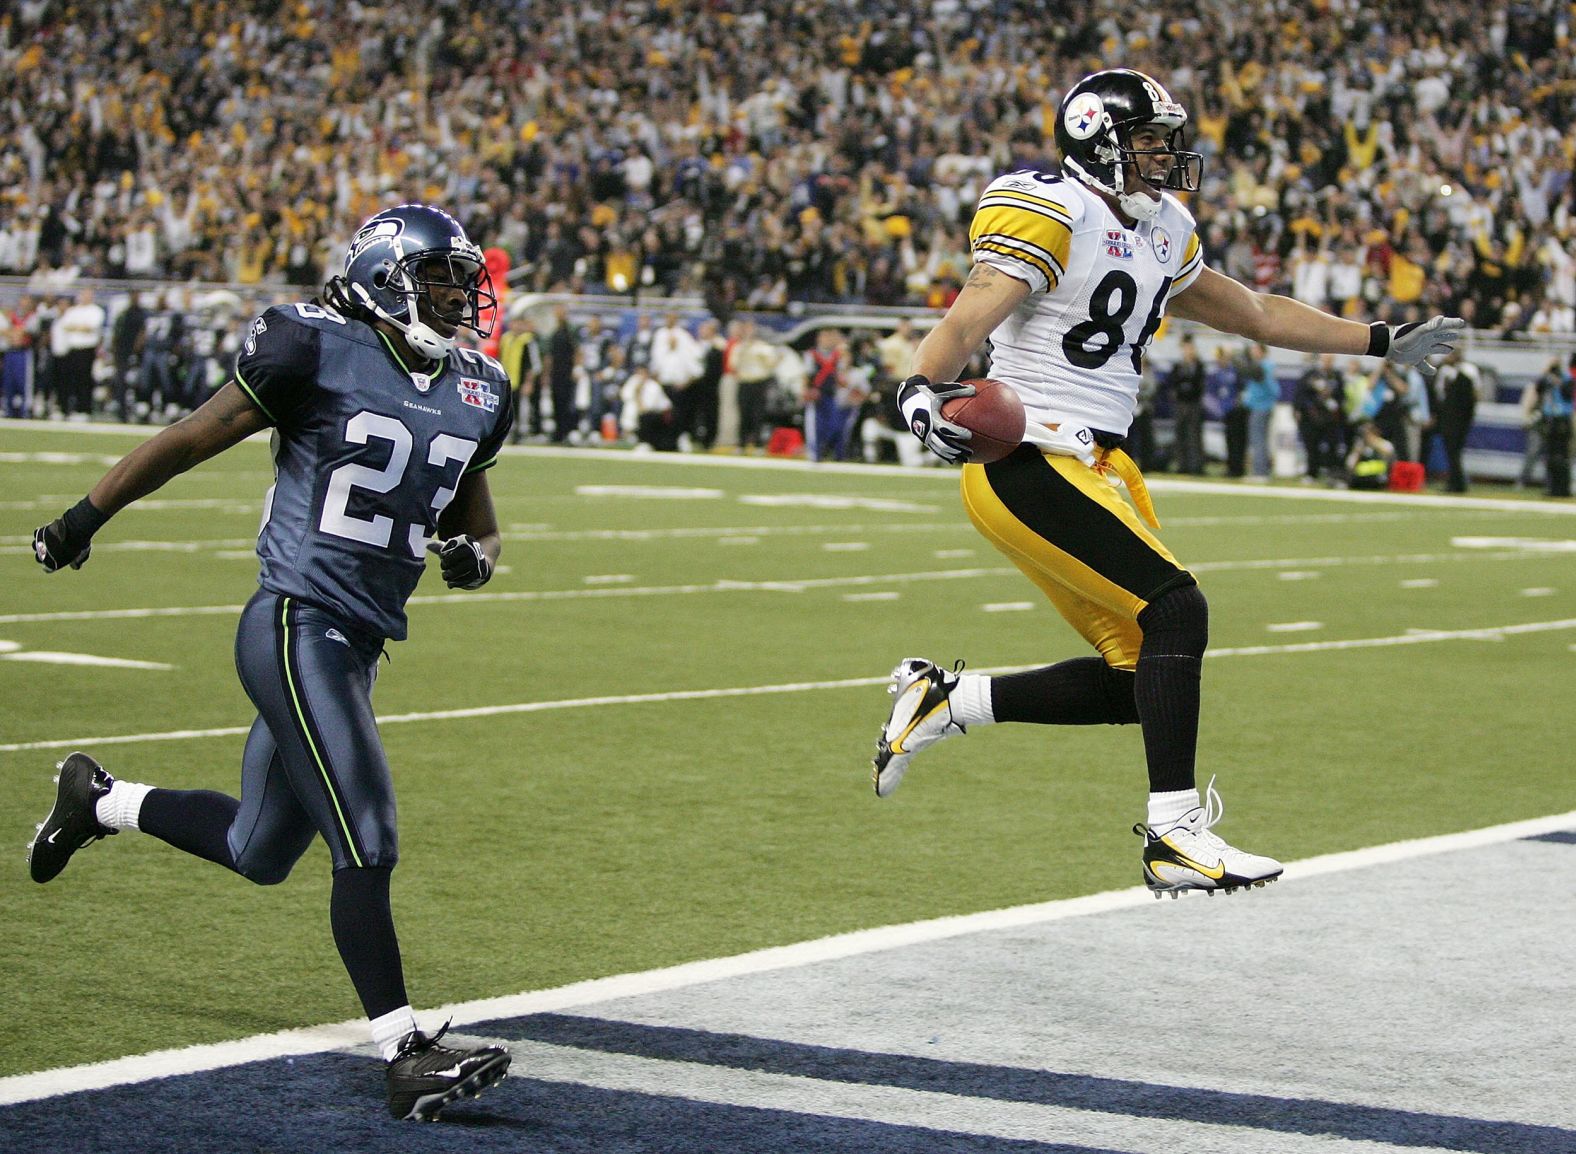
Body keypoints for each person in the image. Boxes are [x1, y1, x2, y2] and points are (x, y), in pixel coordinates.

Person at [877, 69, 1462, 898]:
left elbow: (1256, 312)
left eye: (1165, 139)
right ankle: (1175, 836)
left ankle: (948, 700)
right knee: (1178, 607)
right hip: (1029, 454)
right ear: (1096, 139)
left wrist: (1378, 338)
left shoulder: (1162, 227)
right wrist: (922, 386)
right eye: (1148, 139)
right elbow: (970, 312)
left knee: (1137, 680)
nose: (1164, 155)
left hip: (1101, 464)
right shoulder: (1051, 205)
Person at [26, 204, 514, 1120]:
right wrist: (83, 519)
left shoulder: (478, 386)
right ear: (384, 278)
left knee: (259, 848)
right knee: (365, 836)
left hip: (357, 642)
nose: (461, 299)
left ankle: (98, 798)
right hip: (295, 620)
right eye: (441, 279)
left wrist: (472, 559)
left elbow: (477, 524)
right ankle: (405, 1050)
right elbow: (189, 436)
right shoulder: (310, 348)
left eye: (462, 281)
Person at [1433, 344, 1479, 492]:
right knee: (1451, 450)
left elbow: (1475, 394)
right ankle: (1455, 481)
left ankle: (1457, 482)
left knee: (1455, 449)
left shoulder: (1468, 371)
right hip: (1448, 414)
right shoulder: (1445, 371)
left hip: (1461, 416)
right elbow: (1439, 394)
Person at [1165, 333, 1206, 473]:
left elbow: (1199, 385)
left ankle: (1196, 465)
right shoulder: (1178, 366)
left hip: (1193, 403)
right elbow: (1173, 383)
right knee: (1181, 434)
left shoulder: (1199, 366)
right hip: (1181, 403)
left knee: (1194, 435)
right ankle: (1182, 465)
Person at [1240, 342, 1279, 481]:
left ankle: (1260, 472)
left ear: (1262, 351)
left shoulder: (1264, 366)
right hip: (1260, 405)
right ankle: (1262, 470)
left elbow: (1268, 385)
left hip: (1261, 406)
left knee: (1258, 439)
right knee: (1259, 439)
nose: (1253, 352)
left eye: (1255, 350)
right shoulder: (1265, 365)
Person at [1344, 420, 1397, 490]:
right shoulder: (1360, 446)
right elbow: (1350, 465)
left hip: (1379, 481)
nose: (1367, 435)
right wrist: (1358, 451)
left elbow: (1389, 452)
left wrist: (1374, 443)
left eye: (1369, 432)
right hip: (1360, 481)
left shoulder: (1384, 444)